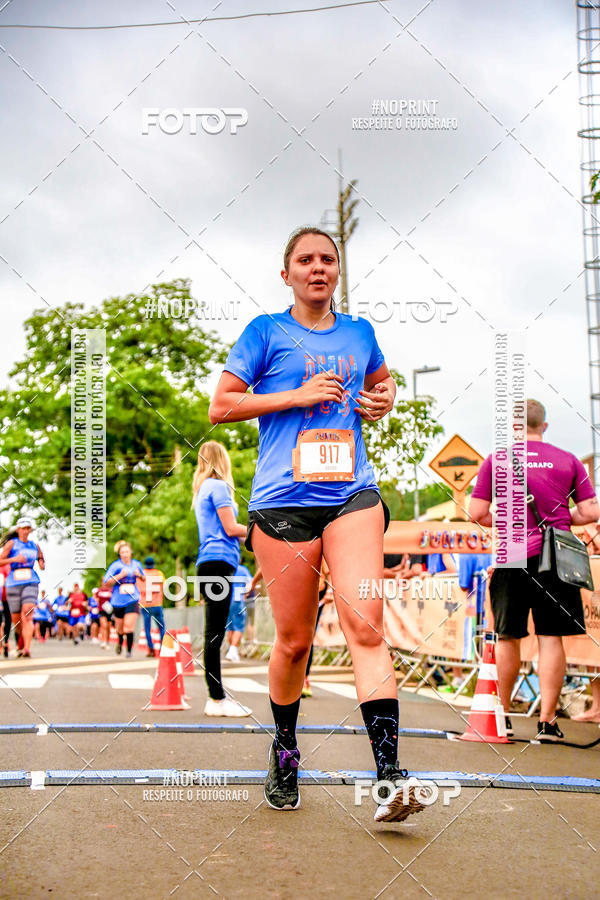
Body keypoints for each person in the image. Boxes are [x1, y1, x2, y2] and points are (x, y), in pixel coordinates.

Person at [209, 226, 426, 822]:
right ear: (287, 275)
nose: (318, 267)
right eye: (305, 260)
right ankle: (284, 752)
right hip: (283, 501)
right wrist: (297, 395)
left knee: (366, 625)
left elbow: (381, 385)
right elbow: (221, 406)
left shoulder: (360, 333)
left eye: (327, 259)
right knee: (294, 641)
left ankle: (390, 777)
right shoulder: (264, 332)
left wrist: (384, 400)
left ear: (337, 271)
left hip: (352, 493)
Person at [470, 399, 599, 741]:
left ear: (515, 427)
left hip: (511, 554)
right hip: (555, 557)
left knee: (508, 635)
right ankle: (547, 722)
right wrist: (562, 518)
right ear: (545, 425)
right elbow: (590, 512)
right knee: (550, 637)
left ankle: (502, 715)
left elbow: (477, 513)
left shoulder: (497, 460)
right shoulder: (568, 460)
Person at [192, 441, 251, 717]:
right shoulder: (217, 487)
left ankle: (215, 698)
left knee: (214, 632)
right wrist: (260, 530)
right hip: (218, 563)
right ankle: (216, 699)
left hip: (210, 562)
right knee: (215, 633)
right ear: (221, 460)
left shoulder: (203, 488)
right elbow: (230, 528)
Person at [0, 517, 45, 658]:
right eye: (23, 528)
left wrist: (41, 563)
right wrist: (14, 559)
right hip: (13, 582)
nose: (26, 531)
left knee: (27, 613)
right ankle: (21, 641)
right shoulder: (12, 544)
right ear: (18, 529)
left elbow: (40, 557)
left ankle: (27, 648)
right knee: (16, 619)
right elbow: (1, 560)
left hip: (31, 581)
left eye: (28, 528)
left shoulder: (34, 545)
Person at [103, 541, 144, 658]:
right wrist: (120, 576)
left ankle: (129, 651)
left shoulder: (136, 564)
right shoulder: (115, 566)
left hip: (133, 599)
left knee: (128, 626)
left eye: (127, 551)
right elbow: (106, 582)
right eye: (122, 552)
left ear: (131, 552)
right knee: (120, 628)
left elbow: (144, 578)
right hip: (118, 601)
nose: (125, 554)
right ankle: (120, 641)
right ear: (119, 554)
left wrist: (139, 575)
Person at [138, 556, 166, 657]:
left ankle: (151, 649)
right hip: (157, 604)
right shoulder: (159, 573)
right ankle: (163, 648)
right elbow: (164, 585)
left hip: (145, 604)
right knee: (161, 627)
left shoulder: (141, 574)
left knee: (147, 627)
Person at [225, 562, 252, 663]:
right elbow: (250, 583)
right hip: (237, 600)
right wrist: (246, 592)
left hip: (225, 601)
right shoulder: (242, 569)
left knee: (230, 627)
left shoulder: (225, 568)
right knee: (239, 626)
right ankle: (232, 650)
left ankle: (233, 651)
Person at [97, 581, 113, 649]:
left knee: (108, 627)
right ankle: (103, 641)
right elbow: (96, 599)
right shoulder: (99, 590)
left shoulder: (111, 590)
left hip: (109, 611)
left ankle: (107, 641)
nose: (104, 583)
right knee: (104, 625)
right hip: (101, 610)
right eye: (103, 581)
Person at [1, 562, 12, 657]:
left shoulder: (9, 566)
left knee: (6, 623)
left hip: (7, 599)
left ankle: (5, 642)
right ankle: (4, 644)